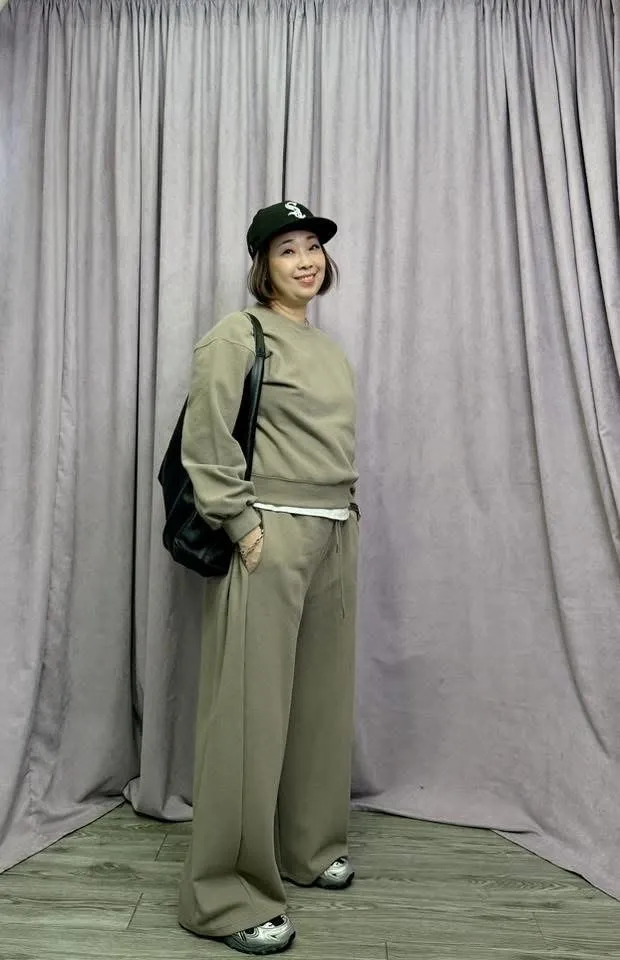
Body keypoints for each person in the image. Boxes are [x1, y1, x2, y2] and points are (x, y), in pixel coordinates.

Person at [178, 201, 360, 955]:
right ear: (263, 265)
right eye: (288, 249)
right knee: (249, 716)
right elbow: (205, 439)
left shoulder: (324, 347)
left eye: (313, 245)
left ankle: (307, 849)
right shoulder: (238, 335)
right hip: (271, 534)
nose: (306, 259)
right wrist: (241, 524)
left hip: (335, 531)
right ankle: (224, 897)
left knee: (319, 704)